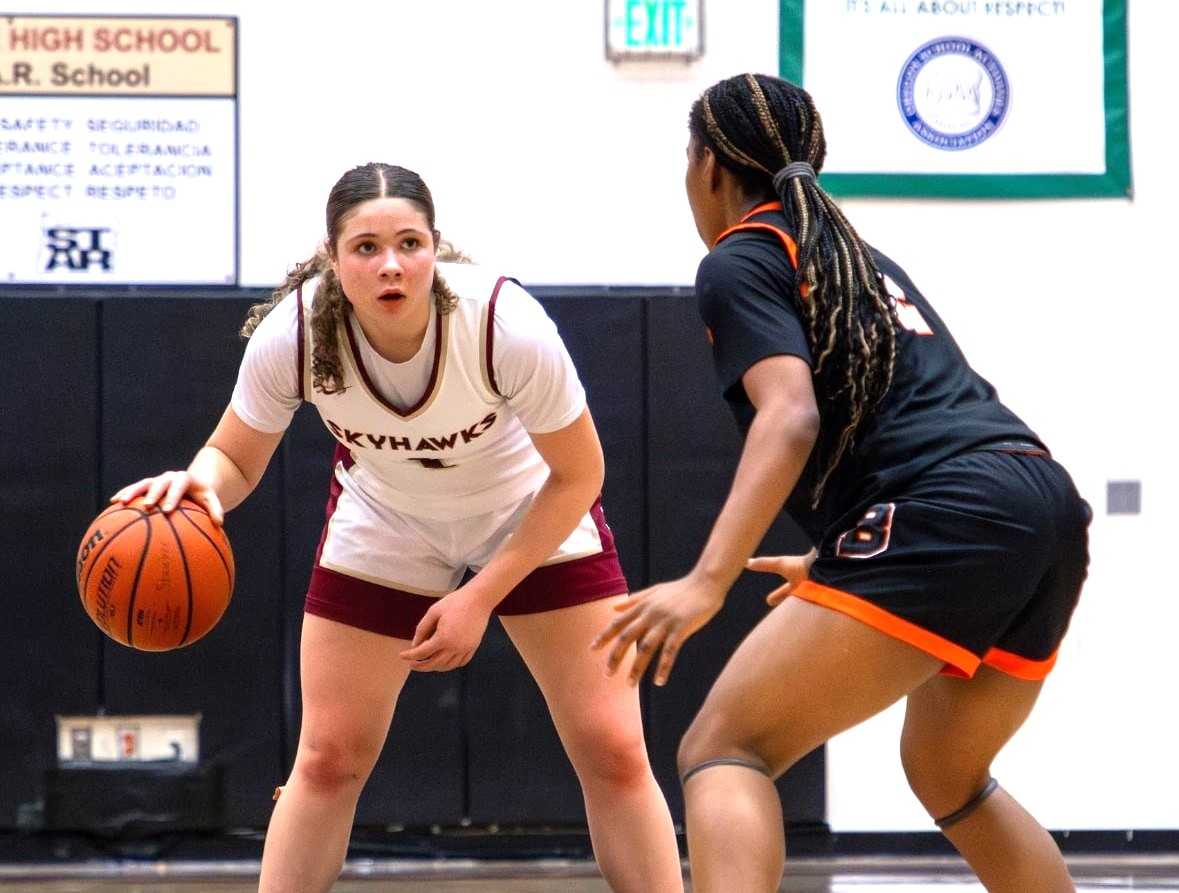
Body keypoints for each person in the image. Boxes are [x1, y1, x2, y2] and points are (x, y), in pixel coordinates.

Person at [112, 162, 683, 893]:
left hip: (528, 508)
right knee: (326, 755)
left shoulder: (501, 321)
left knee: (612, 747)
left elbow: (581, 475)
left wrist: (478, 599)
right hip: (389, 517)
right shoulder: (293, 331)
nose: (390, 264)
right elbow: (234, 456)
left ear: (435, 249)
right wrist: (199, 485)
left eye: (409, 243)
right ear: (332, 257)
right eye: (366, 246)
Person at [593, 74, 1090, 893]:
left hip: (945, 508)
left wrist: (706, 580)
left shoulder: (740, 257)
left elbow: (790, 416)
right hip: (1038, 500)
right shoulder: (858, 257)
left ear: (708, 166)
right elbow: (904, 410)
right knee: (948, 776)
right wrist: (838, 561)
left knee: (723, 746)